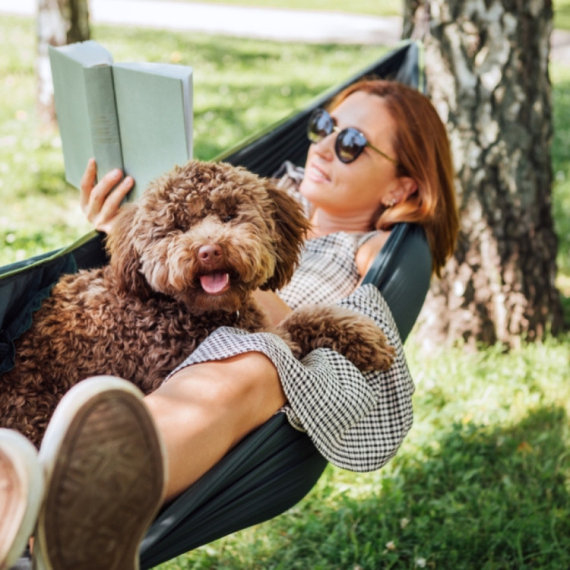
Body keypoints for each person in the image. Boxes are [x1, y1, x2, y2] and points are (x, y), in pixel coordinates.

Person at [0, 79, 458, 570]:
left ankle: (65, 509)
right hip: (132, 344)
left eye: (351, 145)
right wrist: (127, 229)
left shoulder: (367, 249)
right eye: (324, 126)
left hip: (244, 358)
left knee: (246, 364)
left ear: (401, 187)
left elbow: (362, 324)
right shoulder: (266, 187)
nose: (323, 148)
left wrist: (243, 278)